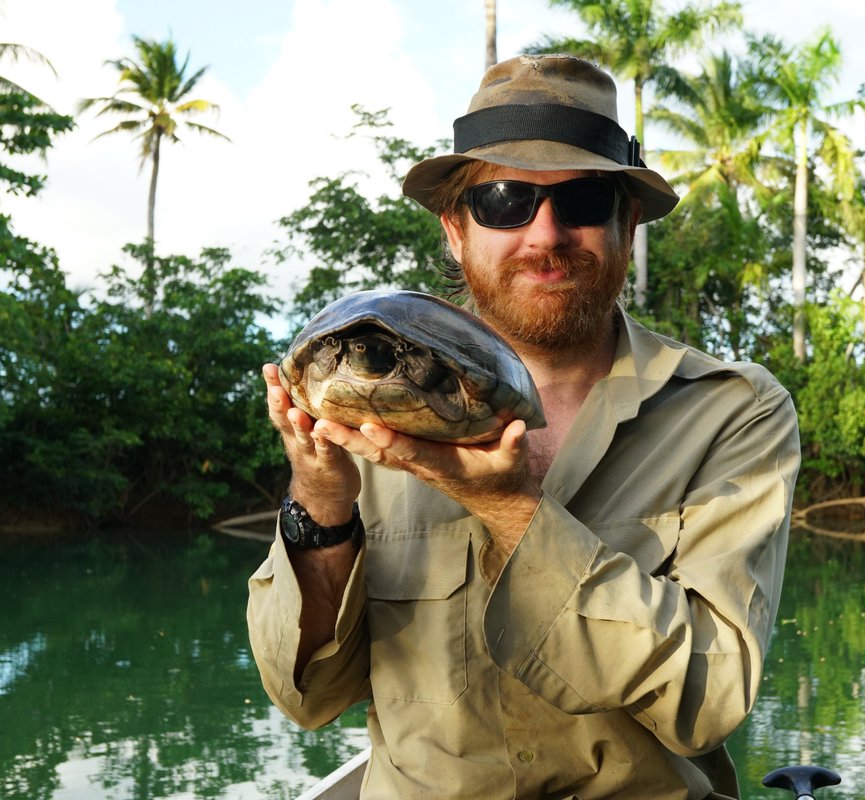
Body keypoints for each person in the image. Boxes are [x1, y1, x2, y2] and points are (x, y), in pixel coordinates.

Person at [248, 54, 800, 800]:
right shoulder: (367, 404)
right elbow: (308, 696)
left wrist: (514, 510)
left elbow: (708, 697)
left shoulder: (731, 412)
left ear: (626, 223)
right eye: (505, 201)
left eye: (581, 200)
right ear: (455, 229)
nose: (545, 234)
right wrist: (321, 501)